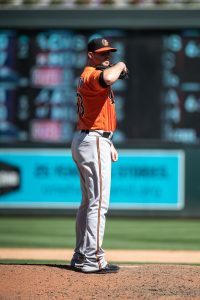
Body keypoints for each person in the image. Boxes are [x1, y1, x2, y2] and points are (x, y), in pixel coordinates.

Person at [70, 37, 128, 274]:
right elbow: (108, 77)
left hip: (91, 138)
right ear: (90, 55)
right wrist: (122, 64)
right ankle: (93, 259)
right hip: (92, 140)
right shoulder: (93, 75)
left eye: (110, 53)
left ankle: (81, 255)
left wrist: (108, 141)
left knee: (88, 202)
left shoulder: (90, 76)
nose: (107, 56)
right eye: (101, 53)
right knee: (98, 203)